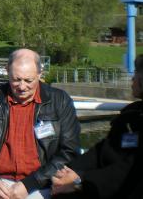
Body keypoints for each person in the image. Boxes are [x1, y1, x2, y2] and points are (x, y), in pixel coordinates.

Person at [0, 49, 80, 199]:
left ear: (40, 74)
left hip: (41, 184)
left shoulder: (60, 101)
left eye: (29, 80)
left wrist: (30, 184)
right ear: (7, 71)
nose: (21, 86)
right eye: (16, 79)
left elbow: (69, 152)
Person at [51, 53, 143, 199]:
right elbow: (103, 150)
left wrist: (79, 181)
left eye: (137, 73)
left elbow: (129, 169)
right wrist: (71, 170)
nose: (132, 78)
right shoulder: (132, 113)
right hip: (102, 182)